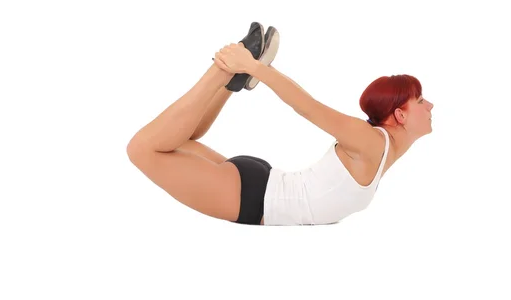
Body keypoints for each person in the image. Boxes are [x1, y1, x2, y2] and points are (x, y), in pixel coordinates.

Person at [126, 22, 434, 226]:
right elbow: (308, 107)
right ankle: (224, 71)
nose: (430, 105)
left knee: (177, 140)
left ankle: (234, 81)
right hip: (255, 197)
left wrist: (255, 69)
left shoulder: (383, 152)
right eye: (421, 101)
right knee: (141, 149)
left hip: (260, 186)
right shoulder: (372, 142)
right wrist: (253, 65)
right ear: (400, 115)